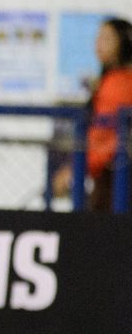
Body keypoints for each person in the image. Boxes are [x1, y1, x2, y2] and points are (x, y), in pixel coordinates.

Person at [53, 17, 132, 211]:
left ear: (123, 42)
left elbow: (107, 135)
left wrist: (78, 168)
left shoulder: (119, 84)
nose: (98, 44)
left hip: (116, 179)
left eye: (106, 38)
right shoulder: (110, 80)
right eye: (98, 37)